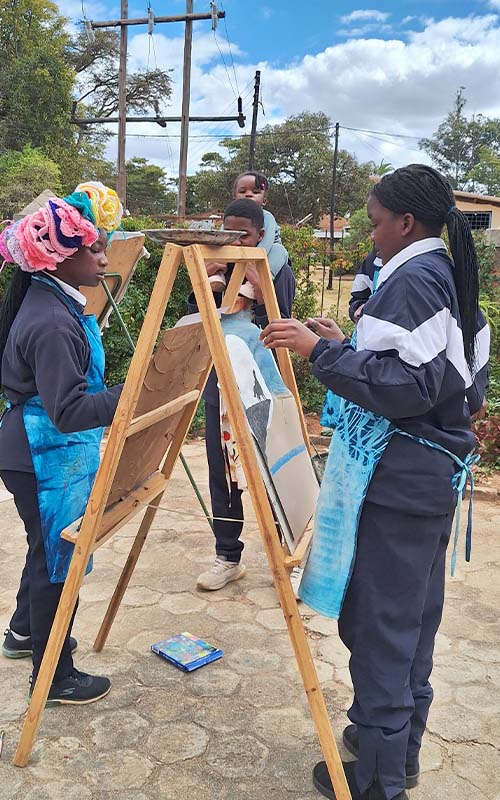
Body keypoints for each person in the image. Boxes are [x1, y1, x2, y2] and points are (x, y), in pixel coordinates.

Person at [260, 164, 489, 800]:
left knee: (381, 628)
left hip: (400, 481)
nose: (371, 234)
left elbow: (408, 387)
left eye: (375, 221)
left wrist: (320, 353)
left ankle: (379, 781)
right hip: (428, 480)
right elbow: (456, 385)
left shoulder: (411, 280)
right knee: (409, 621)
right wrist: (350, 345)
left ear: (406, 222)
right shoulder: (445, 274)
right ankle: (395, 749)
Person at [0, 182, 124, 705]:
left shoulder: (53, 300)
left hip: (37, 451)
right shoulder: (52, 320)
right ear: (59, 258)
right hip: (42, 456)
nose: (104, 259)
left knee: (45, 550)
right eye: (94, 249)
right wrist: (131, 391)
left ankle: (24, 633)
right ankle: (54, 677)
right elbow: (69, 411)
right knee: (59, 565)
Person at [193, 198, 295, 591]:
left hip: (261, 383)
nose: (235, 242)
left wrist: (259, 285)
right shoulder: (211, 266)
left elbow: (282, 323)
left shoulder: (275, 268)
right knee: (223, 469)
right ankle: (227, 557)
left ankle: (289, 553)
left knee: (273, 465)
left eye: (244, 235)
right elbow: (197, 317)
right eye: (228, 233)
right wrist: (204, 281)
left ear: (261, 235)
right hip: (219, 381)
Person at [319, 250, 382, 433]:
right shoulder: (372, 261)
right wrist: (358, 309)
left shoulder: (414, 272)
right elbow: (356, 298)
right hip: (362, 340)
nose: (373, 237)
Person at [208, 170, 289, 296]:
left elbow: (266, 243)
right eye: (242, 191)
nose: (249, 195)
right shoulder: (230, 219)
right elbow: (222, 238)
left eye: (255, 192)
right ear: (235, 198)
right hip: (240, 257)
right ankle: (218, 275)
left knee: (279, 250)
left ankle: (259, 281)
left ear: (264, 200)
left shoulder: (266, 217)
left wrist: (251, 259)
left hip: (265, 256)